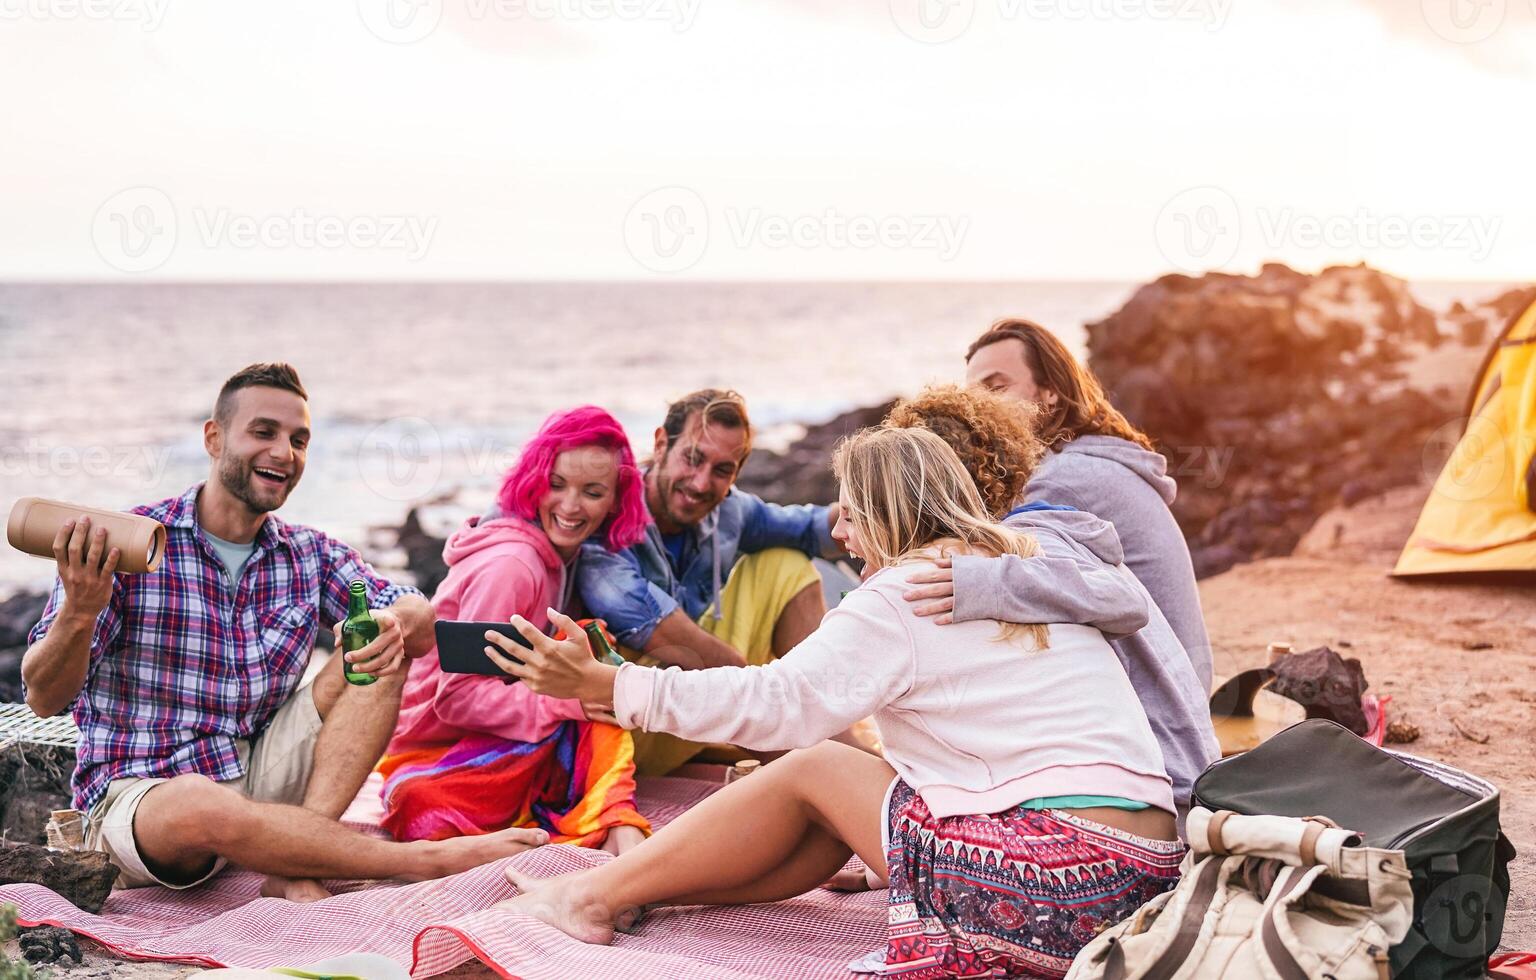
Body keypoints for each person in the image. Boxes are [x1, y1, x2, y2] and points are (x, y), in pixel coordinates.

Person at [491, 426, 1184, 980]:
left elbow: (777, 704)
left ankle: (588, 898)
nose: (842, 536)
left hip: (1054, 885)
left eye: (848, 514)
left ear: (883, 512)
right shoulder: (1017, 573)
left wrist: (609, 687)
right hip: (1137, 886)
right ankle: (637, 891)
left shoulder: (910, 590)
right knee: (833, 812)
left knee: (815, 765)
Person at [21, 363, 545, 901]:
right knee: (198, 802)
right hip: (144, 802)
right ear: (214, 437)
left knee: (380, 651)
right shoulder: (130, 544)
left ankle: (297, 859)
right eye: (264, 432)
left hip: (258, 772)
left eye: (299, 440)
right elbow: (42, 696)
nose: (284, 453)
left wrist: (392, 624)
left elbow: (418, 616)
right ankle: (425, 862)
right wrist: (81, 611)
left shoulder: (308, 554)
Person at [885, 385, 1218, 816]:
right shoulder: (1010, 545)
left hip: (1167, 792)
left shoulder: (1037, 538)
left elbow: (1124, 600)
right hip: (1152, 786)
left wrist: (988, 583)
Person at [378, 406, 652, 855]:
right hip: (438, 749)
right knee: (421, 808)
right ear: (535, 479)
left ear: (615, 500)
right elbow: (456, 698)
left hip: (507, 730)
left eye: (593, 492)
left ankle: (618, 826)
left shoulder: (563, 555)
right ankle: (614, 827)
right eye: (557, 485)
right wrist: (568, 700)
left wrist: (579, 691)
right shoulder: (512, 566)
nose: (569, 506)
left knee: (595, 654)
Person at [576, 388, 846, 775]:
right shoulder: (610, 512)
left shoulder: (729, 510)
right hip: (622, 724)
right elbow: (681, 644)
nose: (702, 483)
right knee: (746, 684)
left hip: (696, 704)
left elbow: (811, 528)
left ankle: (827, 733)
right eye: (692, 458)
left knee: (786, 563)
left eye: (722, 470)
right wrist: (765, 696)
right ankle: (809, 755)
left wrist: (892, 506)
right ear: (660, 443)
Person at [965, 319, 1213, 690]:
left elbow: (1005, 582)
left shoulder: (1062, 478)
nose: (979, 408)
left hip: (1155, 708)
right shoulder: (1085, 457)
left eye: (997, 388)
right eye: (970, 397)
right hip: (1178, 688)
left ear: (1050, 390)